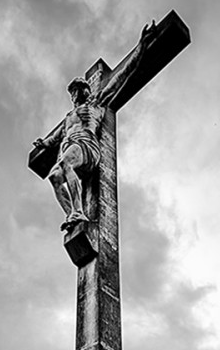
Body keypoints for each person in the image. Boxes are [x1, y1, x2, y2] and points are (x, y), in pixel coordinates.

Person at [32, 22, 156, 232]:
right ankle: (73, 214)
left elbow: (122, 76)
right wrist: (43, 143)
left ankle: (79, 212)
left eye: (79, 88)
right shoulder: (68, 118)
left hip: (86, 145)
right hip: (68, 147)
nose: (75, 93)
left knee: (66, 165)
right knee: (55, 176)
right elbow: (53, 139)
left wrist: (141, 47)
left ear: (87, 90)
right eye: (72, 91)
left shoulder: (97, 103)